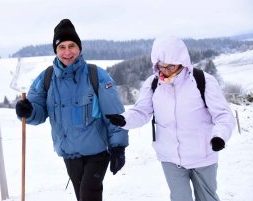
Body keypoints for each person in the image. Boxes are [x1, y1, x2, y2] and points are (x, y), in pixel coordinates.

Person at [106, 36, 235, 201]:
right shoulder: (153, 84)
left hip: (202, 154)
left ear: (183, 62)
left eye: (170, 66)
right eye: (161, 66)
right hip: (170, 157)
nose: (165, 71)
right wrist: (124, 120)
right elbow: (141, 111)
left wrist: (219, 136)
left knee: (207, 198)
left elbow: (223, 114)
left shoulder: (203, 81)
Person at [15, 19, 128, 201]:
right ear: (56, 50)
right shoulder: (46, 78)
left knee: (88, 195)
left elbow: (115, 115)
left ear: (79, 48)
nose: (67, 52)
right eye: (62, 47)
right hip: (69, 154)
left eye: (72, 46)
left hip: (98, 152)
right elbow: (37, 112)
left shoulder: (96, 75)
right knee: (82, 197)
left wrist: (119, 147)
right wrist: (27, 111)